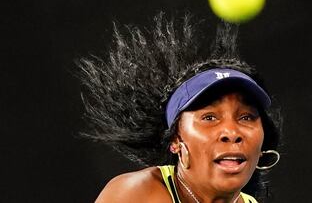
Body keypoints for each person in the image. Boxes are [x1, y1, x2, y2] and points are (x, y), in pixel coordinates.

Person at [78, 12, 282, 202]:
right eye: (209, 117)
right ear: (175, 139)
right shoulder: (137, 194)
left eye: (246, 117)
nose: (231, 132)